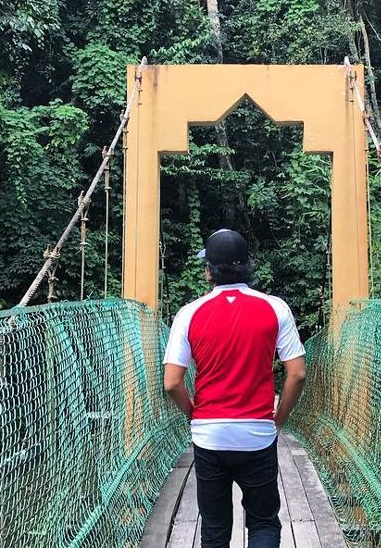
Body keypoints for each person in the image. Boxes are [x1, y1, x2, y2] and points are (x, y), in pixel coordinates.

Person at [163, 229, 307, 548]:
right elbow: (296, 374)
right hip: (257, 434)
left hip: (209, 435)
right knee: (263, 523)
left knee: (214, 528)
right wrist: (278, 418)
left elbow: (172, 382)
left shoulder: (189, 314)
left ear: (209, 271)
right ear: (248, 267)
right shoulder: (275, 308)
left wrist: (194, 415)